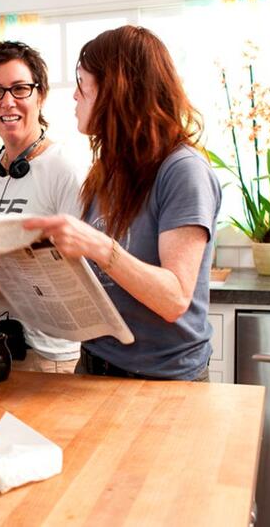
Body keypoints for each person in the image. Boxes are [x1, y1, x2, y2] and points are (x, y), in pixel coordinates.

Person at [23, 25, 221, 381]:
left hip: (164, 379)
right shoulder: (107, 171)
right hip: (96, 364)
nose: (75, 96)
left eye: (82, 83)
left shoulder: (183, 170)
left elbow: (174, 299)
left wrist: (98, 245)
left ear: (117, 89)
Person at [0, 41, 86, 373]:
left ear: (40, 95)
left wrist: (3, 277)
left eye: (20, 89)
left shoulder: (66, 169)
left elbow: (79, 269)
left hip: (42, 353)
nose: (7, 101)